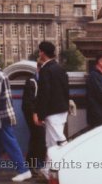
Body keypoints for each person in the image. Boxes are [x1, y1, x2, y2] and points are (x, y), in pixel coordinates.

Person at [33, 41, 69, 179]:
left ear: (42, 52)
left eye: (39, 51)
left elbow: (44, 94)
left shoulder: (45, 70)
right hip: (61, 109)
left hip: (52, 111)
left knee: (59, 141)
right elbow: (66, 89)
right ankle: (47, 170)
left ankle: (66, 168)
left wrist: (39, 114)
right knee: (51, 142)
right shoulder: (60, 68)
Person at [22, 62, 46, 172]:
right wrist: (34, 115)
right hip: (32, 113)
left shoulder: (42, 80)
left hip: (39, 113)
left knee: (37, 138)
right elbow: (29, 102)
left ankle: (31, 165)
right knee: (38, 137)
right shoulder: (32, 82)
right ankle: (33, 166)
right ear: (38, 68)